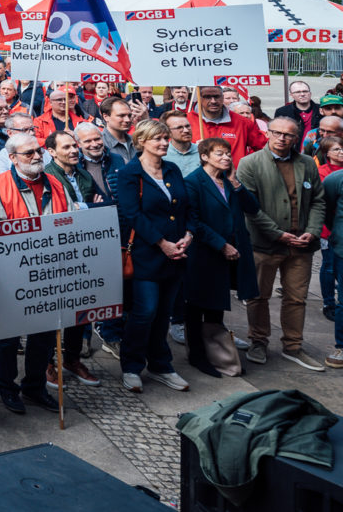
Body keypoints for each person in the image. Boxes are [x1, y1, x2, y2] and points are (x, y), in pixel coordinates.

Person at [0, 134, 76, 413]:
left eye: (38, 151)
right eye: (29, 153)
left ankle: (34, 386)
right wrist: (39, 240)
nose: (37, 156)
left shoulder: (56, 183)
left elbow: (71, 220)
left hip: (50, 271)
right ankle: (7, 386)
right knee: (9, 336)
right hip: (14, 273)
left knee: (44, 333)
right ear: (12, 158)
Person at [237, 115, 325, 370]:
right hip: (264, 244)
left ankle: (293, 345)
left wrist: (313, 231)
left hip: (301, 244)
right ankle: (258, 341)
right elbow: (250, 208)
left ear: (296, 138)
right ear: (267, 133)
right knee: (258, 296)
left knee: (296, 298)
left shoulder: (306, 163)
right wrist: (276, 233)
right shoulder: (250, 163)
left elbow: (318, 200)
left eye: (288, 135)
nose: (282, 138)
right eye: (277, 133)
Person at [116, 120, 195, 392]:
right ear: (141, 141)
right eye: (157, 139)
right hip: (146, 254)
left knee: (164, 313)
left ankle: (161, 364)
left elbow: (187, 207)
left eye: (165, 138)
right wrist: (162, 243)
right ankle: (131, 365)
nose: (163, 143)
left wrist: (188, 235)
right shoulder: (130, 173)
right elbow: (132, 214)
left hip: (176, 253)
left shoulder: (172, 168)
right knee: (145, 311)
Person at [182, 138, 259, 376]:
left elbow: (253, 208)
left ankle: (217, 352)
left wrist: (236, 183)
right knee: (197, 306)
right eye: (219, 154)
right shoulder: (193, 182)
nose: (226, 157)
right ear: (204, 156)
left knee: (216, 305)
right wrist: (221, 244)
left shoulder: (228, 181)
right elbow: (194, 221)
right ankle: (197, 355)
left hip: (231, 252)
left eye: (228, 153)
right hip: (205, 253)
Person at [190, 86, 269, 163]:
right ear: (199, 99)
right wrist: (193, 149)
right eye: (207, 97)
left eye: (217, 96)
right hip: (199, 171)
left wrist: (250, 167)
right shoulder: (187, 121)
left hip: (234, 171)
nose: (213, 101)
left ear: (222, 97)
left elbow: (265, 149)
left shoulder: (242, 123)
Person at [164, 112, 201, 177]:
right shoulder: (163, 154)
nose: (186, 130)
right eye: (179, 127)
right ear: (168, 132)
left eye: (187, 126)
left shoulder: (202, 151)